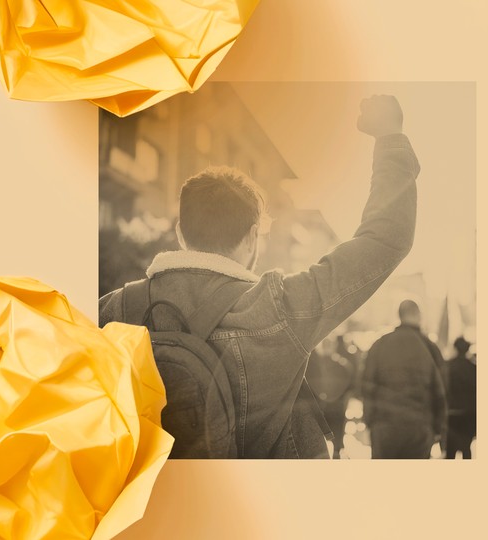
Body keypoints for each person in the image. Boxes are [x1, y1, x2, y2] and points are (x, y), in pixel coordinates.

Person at [99, 95, 420, 458]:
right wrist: (389, 137)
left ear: (180, 232)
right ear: (253, 237)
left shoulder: (111, 309)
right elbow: (385, 239)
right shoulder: (278, 308)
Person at [362, 300, 447, 459]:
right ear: (418, 316)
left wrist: (369, 421)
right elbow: (441, 391)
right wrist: (438, 428)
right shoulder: (429, 347)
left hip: (384, 426)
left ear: (399, 316)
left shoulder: (380, 344)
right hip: (419, 427)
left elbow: (367, 386)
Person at [444, 337, 476, 459]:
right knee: (466, 448)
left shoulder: (448, 366)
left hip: (451, 414)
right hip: (468, 414)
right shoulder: (473, 368)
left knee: (450, 451)